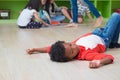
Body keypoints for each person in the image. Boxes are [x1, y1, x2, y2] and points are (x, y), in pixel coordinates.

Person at [26, 13, 120, 68]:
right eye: (72, 51)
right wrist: (99, 62)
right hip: (104, 38)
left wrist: (35, 49)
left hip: (95, 32)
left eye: (70, 44)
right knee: (116, 16)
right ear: (70, 58)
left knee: (116, 22)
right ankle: (112, 42)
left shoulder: (67, 46)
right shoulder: (85, 54)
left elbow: (48, 48)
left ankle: (114, 43)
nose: (74, 47)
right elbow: (109, 57)